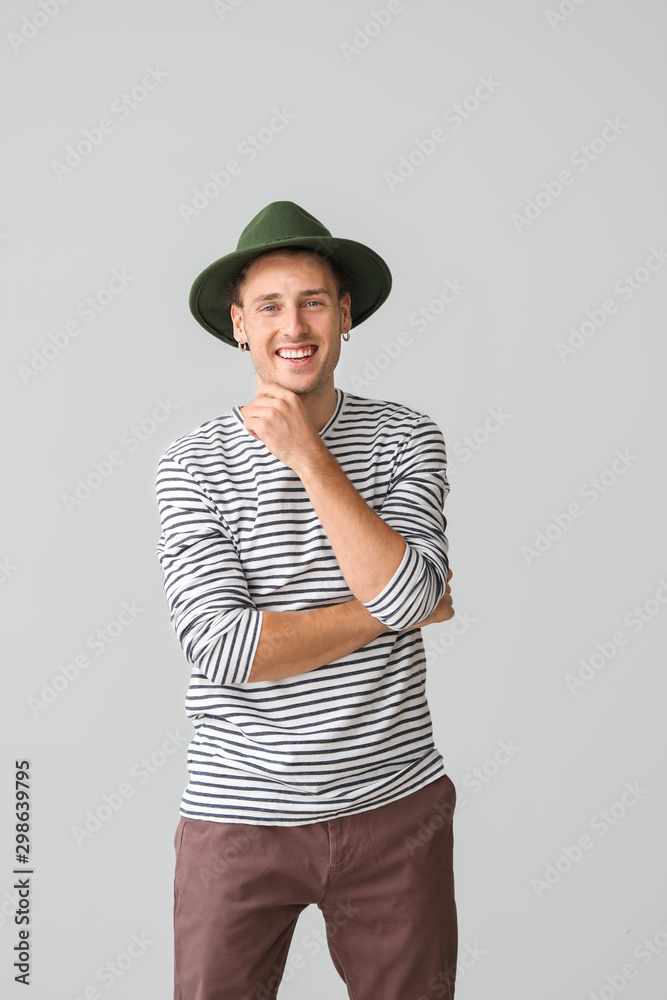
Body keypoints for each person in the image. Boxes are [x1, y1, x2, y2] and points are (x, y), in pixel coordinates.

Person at [155, 200, 458, 1000]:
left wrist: (307, 456)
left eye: (313, 301)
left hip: (395, 808)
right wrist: (393, 608)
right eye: (269, 306)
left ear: (345, 314)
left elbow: (413, 590)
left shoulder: (404, 438)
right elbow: (223, 648)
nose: (293, 325)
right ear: (239, 325)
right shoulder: (191, 464)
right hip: (237, 816)